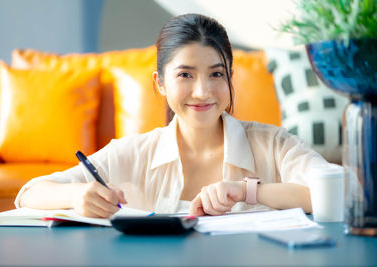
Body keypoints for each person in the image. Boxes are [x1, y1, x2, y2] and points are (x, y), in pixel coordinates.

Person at [17, 13, 329, 218]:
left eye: (216, 74)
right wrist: (77, 194)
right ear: (160, 83)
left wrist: (248, 191)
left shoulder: (272, 143)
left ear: (231, 78)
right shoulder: (133, 152)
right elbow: (28, 194)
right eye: (185, 75)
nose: (203, 91)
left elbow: (340, 192)